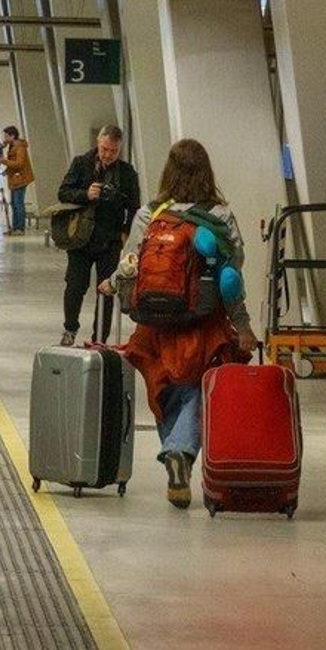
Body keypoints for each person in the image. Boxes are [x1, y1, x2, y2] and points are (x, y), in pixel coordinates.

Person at [100, 139, 256, 508]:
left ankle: (175, 452)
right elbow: (231, 276)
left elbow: (130, 265)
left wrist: (112, 283)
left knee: (164, 388)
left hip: (154, 323)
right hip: (202, 321)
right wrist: (243, 325)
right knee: (197, 390)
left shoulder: (149, 214)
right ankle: (180, 454)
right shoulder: (219, 215)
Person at [58, 125, 141, 346]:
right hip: (80, 239)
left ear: (120, 149)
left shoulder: (127, 173)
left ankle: (99, 339)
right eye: (104, 149)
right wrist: (86, 194)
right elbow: (63, 192)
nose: (107, 155)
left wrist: (126, 232)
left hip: (110, 240)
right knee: (75, 286)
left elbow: (135, 208)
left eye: (113, 151)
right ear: (98, 142)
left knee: (106, 291)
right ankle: (70, 329)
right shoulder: (81, 163)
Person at [0, 125, 34, 235]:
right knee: (14, 203)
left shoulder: (20, 147)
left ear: (12, 136)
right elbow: (13, 162)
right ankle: (15, 227)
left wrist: (3, 161)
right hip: (15, 178)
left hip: (21, 178)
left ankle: (20, 228)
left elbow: (19, 163)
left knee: (18, 203)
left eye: (6, 136)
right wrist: (7, 170)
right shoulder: (12, 146)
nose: (4, 138)